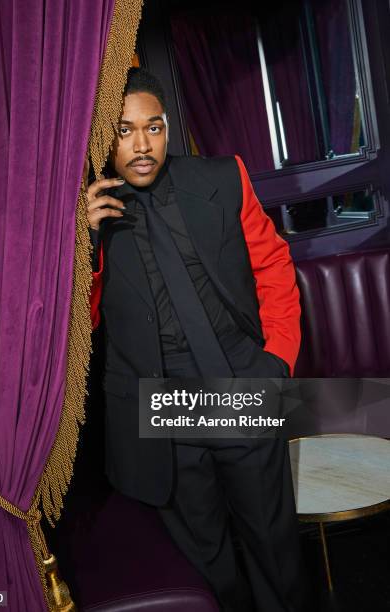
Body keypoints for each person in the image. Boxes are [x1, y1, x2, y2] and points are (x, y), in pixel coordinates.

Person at [85, 67, 312, 612]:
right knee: (206, 565)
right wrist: (81, 246)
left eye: (154, 127)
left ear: (167, 129)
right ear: (102, 137)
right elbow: (76, 330)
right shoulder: (80, 217)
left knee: (275, 552)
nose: (142, 145)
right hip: (161, 407)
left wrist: (276, 361)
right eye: (124, 130)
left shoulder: (222, 177)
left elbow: (274, 265)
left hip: (242, 380)